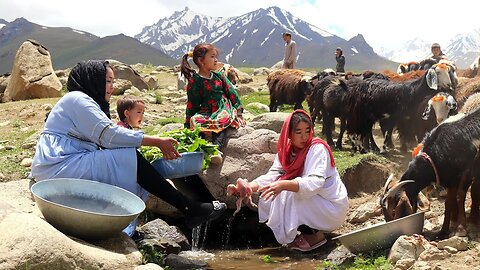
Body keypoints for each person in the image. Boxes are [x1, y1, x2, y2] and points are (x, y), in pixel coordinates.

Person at [30, 60, 227, 234]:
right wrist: (156, 142)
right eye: (107, 81)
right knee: (128, 157)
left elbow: (107, 141)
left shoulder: (83, 101)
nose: (111, 87)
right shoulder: (77, 99)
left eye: (113, 81)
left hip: (65, 164)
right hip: (59, 166)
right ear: (93, 79)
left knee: (128, 160)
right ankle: (189, 208)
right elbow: (109, 135)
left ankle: (131, 221)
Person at [227, 110, 349, 252]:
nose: (304, 136)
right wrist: (248, 187)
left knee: (287, 193)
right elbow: (272, 176)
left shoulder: (317, 149)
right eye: (298, 132)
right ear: (289, 133)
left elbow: (315, 183)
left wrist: (284, 184)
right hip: (316, 205)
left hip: (331, 208)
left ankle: (314, 237)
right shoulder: (286, 153)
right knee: (269, 195)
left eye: (307, 131)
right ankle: (300, 233)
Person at [180, 43, 245, 152]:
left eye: (216, 57)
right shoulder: (195, 81)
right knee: (196, 120)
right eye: (212, 57)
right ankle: (203, 144)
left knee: (221, 120)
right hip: (206, 111)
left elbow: (232, 93)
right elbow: (192, 104)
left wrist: (239, 113)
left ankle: (216, 148)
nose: (216, 60)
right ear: (201, 61)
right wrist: (188, 125)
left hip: (223, 107)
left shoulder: (219, 77)